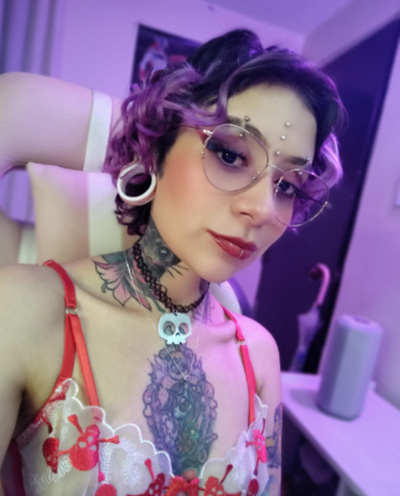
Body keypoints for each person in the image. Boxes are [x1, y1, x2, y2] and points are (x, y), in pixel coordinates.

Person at [0, 29, 344, 496]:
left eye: (287, 186)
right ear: (156, 149)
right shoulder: (23, 309)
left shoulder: (260, 354)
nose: (263, 209)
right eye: (230, 154)